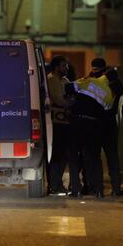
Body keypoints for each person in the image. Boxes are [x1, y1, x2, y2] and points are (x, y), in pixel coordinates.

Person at [66, 72, 116, 198]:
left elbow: (68, 87)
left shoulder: (89, 81)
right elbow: (107, 112)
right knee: (94, 158)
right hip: (94, 126)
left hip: (77, 122)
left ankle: (76, 189)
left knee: (73, 157)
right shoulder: (109, 93)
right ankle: (99, 190)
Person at [47, 55, 71, 195]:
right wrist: (69, 103)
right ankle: (54, 184)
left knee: (63, 155)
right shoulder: (52, 80)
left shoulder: (64, 80)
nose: (66, 68)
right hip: (56, 122)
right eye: (64, 65)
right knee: (57, 155)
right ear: (56, 67)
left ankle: (57, 183)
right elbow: (60, 101)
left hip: (64, 121)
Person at [102, 68, 123, 196]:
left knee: (97, 156)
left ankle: (98, 187)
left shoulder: (108, 89)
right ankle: (116, 187)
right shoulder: (119, 89)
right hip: (112, 125)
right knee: (113, 157)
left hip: (104, 122)